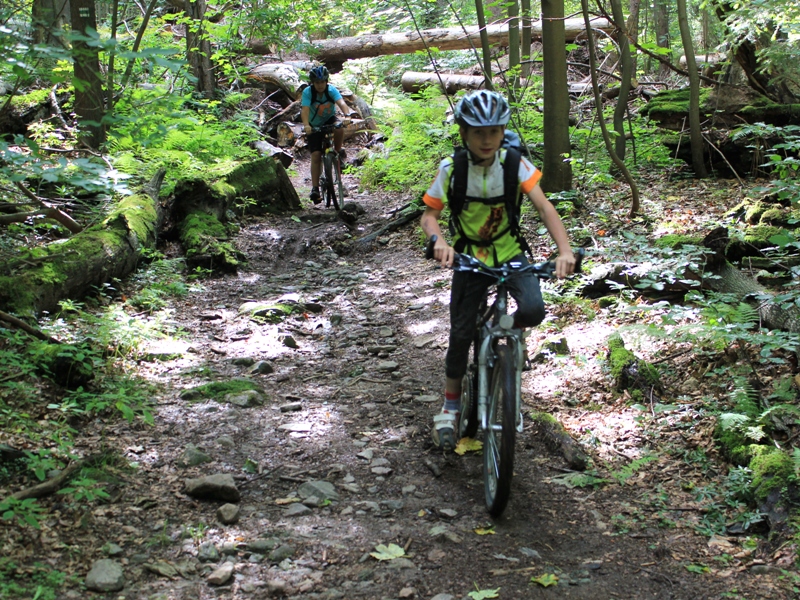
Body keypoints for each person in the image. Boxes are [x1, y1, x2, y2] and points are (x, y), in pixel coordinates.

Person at [419, 90, 577, 451]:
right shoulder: (452, 170)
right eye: (478, 132)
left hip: (510, 252)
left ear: (503, 130)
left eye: (494, 131)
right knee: (460, 333)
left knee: (534, 309)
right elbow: (430, 215)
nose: (487, 139)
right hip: (470, 258)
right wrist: (439, 242)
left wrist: (564, 250)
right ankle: (450, 405)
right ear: (464, 134)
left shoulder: (515, 164)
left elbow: (545, 208)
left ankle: (502, 332)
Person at [301, 65, 357, 204]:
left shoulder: (331, 90)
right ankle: (315, 188)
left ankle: (337, 153)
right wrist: (307, 125)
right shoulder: (308, 93)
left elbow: (341, 102)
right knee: (316, 155)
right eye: (317, 82)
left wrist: (347, 115)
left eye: (322, 82)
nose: (320, 85)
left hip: (329, 119)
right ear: (313, 83)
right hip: (314, 125)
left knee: (339, 128)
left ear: (326, 81)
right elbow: (305, 110)